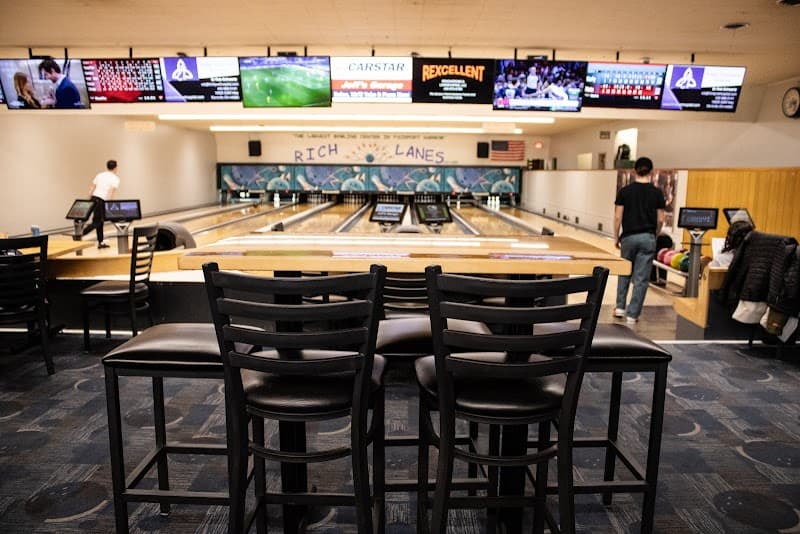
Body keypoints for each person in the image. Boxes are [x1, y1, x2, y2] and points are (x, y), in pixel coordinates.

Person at [613, 156, 666, 323]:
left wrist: (616, 236)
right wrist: (655, 235)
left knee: (624, 272)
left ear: (634, 170)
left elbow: (617, 217)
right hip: (647, 237)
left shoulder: (625, 191)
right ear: (651, 171)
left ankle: (620, 308)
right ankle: (632, 314)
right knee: (641, 278)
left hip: (628, 237)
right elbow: (661, 219)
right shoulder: (657, 193)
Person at [83, 160, 120, 248]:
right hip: (102, 200)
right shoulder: (115, 178)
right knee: (96, 222)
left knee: (100, 221)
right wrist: (109, 205)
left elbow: (92, 188)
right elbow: (111, 192)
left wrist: (88, 201)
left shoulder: (100, 175)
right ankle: (80, 234)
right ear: (115, 167)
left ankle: (101, 242)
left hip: (94, 198)